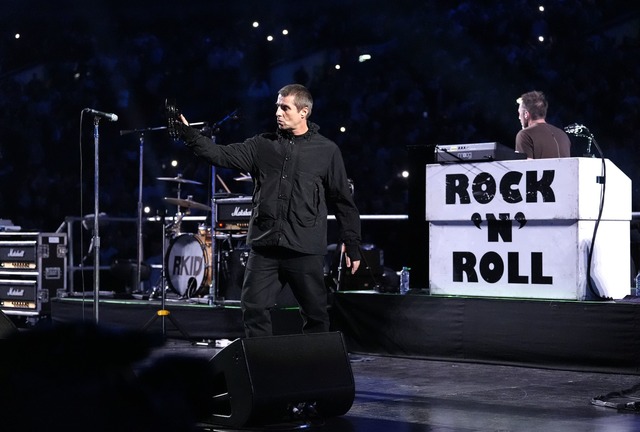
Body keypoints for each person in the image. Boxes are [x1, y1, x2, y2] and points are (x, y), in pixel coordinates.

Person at [175, 83, 362, 337]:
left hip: (304, 248)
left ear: (304, 112)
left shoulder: (327, 151)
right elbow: (220, 154)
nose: (278, 112)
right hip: (265, 247)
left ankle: (318, 369)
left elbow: (343, 201)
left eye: (285, 108)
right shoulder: (262, 145)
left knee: (316, 315)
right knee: (253, 308)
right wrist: (189, 134)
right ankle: (262, 367)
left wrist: (351, 244)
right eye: (277, 106)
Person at [515, 90, 571, 159]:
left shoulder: (525, 135)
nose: (519, 117)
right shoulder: (563, 135)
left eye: (519, 113)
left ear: (526, 114)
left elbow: (524, 167)